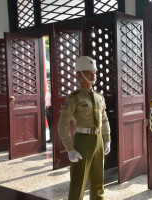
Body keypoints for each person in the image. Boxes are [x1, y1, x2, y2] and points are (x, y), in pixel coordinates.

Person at [58, 56, 111, 200]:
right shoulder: (73, 98)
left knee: (98, 182)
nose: (93, 75)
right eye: (89, 72)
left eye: (95, 72)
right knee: (78, 183)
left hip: (98, 140)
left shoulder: (99, 97)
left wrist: (107, 140)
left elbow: (104, 120)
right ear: (79, 75)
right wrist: (70, 149)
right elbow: (62, 124)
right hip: (82, 142)